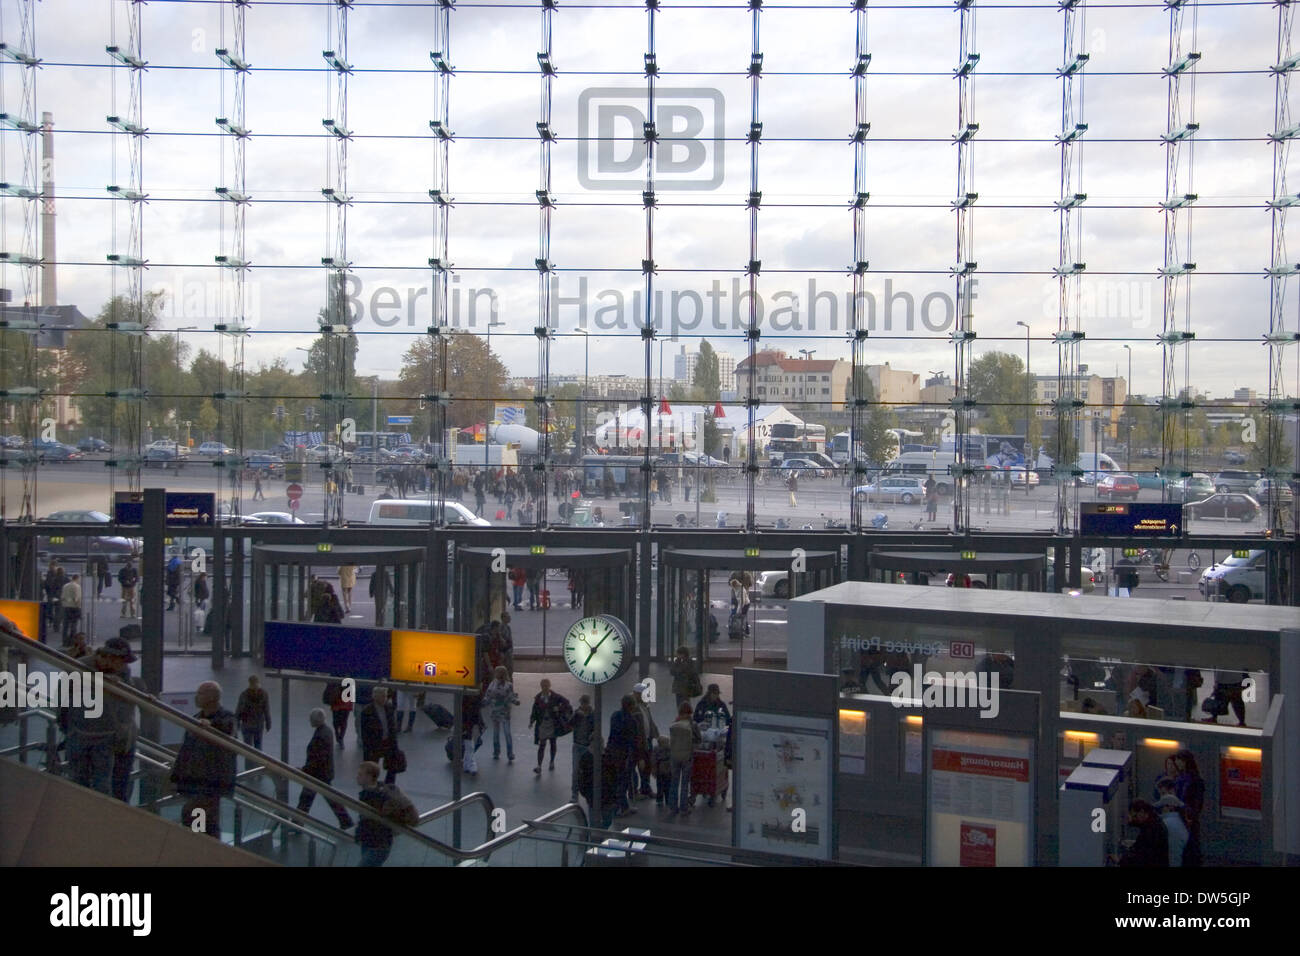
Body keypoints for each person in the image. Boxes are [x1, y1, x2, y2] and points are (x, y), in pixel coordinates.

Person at [171, 681, 237, 838]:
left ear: (213, 697)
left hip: (210, 782)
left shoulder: (226, 718)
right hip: (196, 779)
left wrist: (212, 726)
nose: (197, 697)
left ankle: (203, 849)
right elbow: (186, 751)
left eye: (200, 693)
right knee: (206, 821)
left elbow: (227, 732)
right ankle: (207, 849)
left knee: (195, 815)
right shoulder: (196, 719)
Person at [296, 709, 353, 830]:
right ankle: (346, 821)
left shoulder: (320, 736)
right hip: (323, 772)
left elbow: (317, 758)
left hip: (316, 774)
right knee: (328, 799)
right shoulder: (326, 731)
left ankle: (297, 822)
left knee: (306, 798)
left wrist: (304, 770)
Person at [607, 694, 641, 816]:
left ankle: (622, 806)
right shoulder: (632, 721)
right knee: (623, 781)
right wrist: (636, 756)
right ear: (631, 706)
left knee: (616, 780)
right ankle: (620, 807)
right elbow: (633, 740)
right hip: (625, 755)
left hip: (613, 752)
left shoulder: (614, 716)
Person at [359, 686, 400, 784]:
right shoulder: (367, 711)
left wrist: (395, 742)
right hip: (374, 744)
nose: (384, 698)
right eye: (382, 696)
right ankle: (372, 785)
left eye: (385, 696)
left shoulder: (389, 707)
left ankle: (389, 785)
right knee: (372, 767)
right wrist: (367, 747)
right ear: (375, 697)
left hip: (388, 742)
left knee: (392, 766)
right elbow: (364, 732)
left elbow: (392, 725)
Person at [355, 761, 394, 867]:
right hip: (374, 841)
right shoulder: (379, 791)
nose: (357, 777)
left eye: (360, 775)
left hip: (376, 842)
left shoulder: (372, 796)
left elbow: (369, 820)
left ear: (369, 777)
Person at [528, 678, 569, 774]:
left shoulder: (555, 696)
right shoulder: (538, 698)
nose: (545, 688)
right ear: (541, 687)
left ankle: (551, 761)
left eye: (546, 686)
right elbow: (534, 711)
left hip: (552, 723)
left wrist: (558, 708)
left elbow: (566, 702)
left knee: (553, 743)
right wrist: (531, 721)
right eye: (543, 686)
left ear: (549, 686)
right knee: (542, 745)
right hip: (542, 724)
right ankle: (539, 766)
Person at [668, 701, 701, 817]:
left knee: (674, 782)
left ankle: (672, 807)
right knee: (685, 783)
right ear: (689, 713)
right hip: (687, 756)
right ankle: (684, 808)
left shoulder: (674, 724)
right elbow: (699, 739)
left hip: (674, 756)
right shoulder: (692, 725)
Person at [1172, 749, 1205, 865]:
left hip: (1187, 817)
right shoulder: (1181, 778)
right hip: (1181, 815)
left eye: (1179, 760)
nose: (1177, 763)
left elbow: (1196, 802)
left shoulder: (1193, 780)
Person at [1116, 800, 1169, 867]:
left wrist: (1122, 860)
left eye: (1135, 816)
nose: (1134, 819)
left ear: (1142, 812)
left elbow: (1142, 855)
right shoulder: (1154, 822)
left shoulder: (1152, 829)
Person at [483, 666, 518, 762]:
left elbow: (488, 696)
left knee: (499, 733)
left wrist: (484, 703)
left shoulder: (495, 684)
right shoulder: (504, 684)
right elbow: (488, 695)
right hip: (501, 711)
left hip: (500, 711)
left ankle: (500, 752)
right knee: (502, 733)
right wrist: (515, 701)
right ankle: (505, 753)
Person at [630, 683, 659, 799]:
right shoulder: (633, 707)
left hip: (647, 739)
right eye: (642, 693)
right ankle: (634, 791)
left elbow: (649, 720)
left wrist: (655, 733)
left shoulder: (644, 705)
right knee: (636, 766)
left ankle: (645, 788)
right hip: (637, 741)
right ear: (636, 694)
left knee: (647, 765)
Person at [1154, 779, 1190, 867]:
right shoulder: (1181, 819)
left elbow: (1173, 856)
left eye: (1163, 793)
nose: (1162, 797)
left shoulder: (1169, 825)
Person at [570, 694, 598, 802]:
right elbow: (570, 724)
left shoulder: (593, 714)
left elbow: (596, 727)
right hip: (577, 745)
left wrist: (593, 735)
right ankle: (574, 794)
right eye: (582, 703)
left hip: (588, 746)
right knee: (576, 770)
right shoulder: (577, 713)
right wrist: (576, 716)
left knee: (589, 771)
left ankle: (589, 793)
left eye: (584, 703)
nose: (583, 706)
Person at [235, 675, 272, 750]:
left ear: (249, 683)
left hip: (246, 723)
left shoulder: (244, 694)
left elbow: (239, 710)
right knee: (258, 747)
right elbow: (266, 710)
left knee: (247, 749)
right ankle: (258, 761)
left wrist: (236, 723)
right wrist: (268, 723)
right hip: (258, 723)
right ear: (258, 682)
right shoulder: (264, 694)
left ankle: (249, 761)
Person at [324, 679, 353, 748]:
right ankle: (339, 736)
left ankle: (340, 737)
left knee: (341, 721)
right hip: (338, 698)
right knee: (338, 721)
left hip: (344, 698)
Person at [60, 573, 82, 645]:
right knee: (73, 625)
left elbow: (62, 597)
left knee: (65, 625)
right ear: (77, 579)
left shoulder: (65, 586)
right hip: (74, 607)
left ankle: (64, 641)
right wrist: (79, 607)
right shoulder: (77, 586)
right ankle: (72, 641)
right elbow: (77, 599)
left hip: (66, 606)